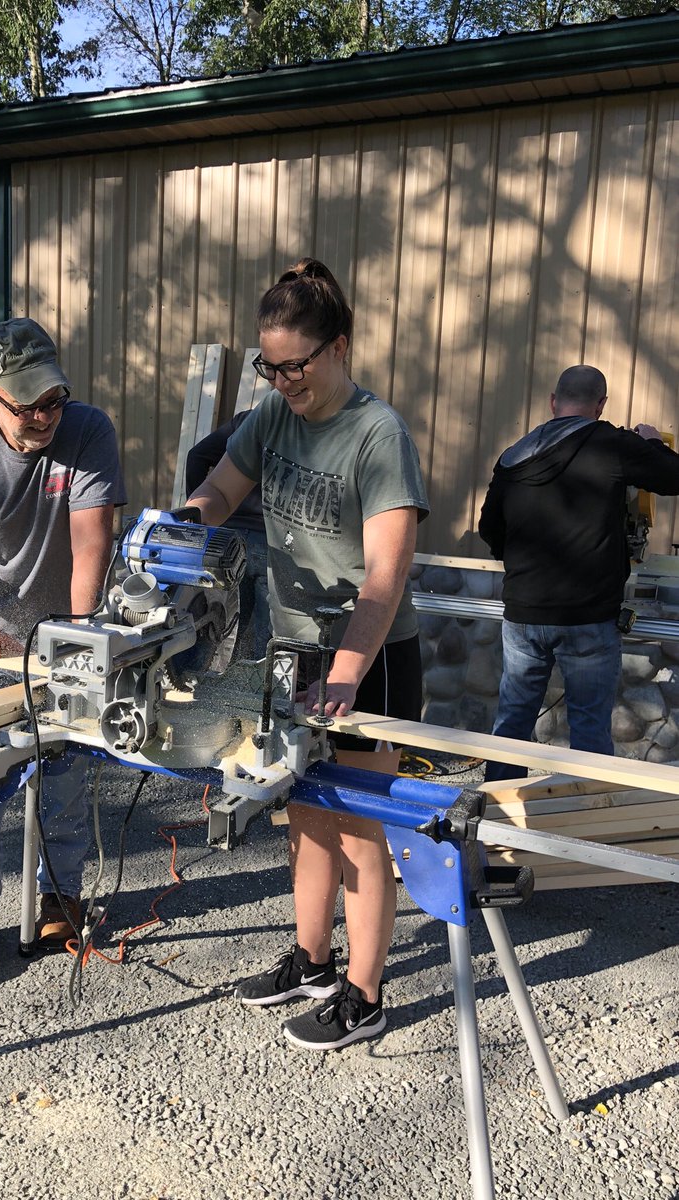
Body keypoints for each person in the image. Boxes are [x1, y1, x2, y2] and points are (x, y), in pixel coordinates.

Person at [188, 258, 429, 1051]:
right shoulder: (273, 414)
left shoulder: (377, 433)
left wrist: (349, 674)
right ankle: (313, 958)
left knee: (359, 822)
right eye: (271, 364)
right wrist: (185, 525)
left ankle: (365, 993)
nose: (284, 379)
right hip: (294, 643)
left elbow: (387, 578)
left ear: (339, 347)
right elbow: (222, 490)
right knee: (303, 808)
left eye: (297, 364)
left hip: (370, 654)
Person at [0, 318, 126, 984]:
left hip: (62, 634)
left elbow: (92, 542)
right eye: (25, 404)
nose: (42, 416)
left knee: (63, 776)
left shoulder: (87, 431)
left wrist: (79, 633)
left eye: (52, 399)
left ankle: (60, 893)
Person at [479, 364, 679, 782]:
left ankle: (495, 819)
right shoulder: (613, 444)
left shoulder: (515, 454)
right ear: (601, 404)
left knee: (512, 722)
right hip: (588, 618)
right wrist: (654, 444)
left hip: (523, 615)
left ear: (553, 402)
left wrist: (521, 569)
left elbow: (489, 529)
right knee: (589, 728)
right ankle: (582, 829)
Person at [185, 410, 271, 660]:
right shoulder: (294, 427)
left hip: (227, 541)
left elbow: (196, 456)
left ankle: (204, 680)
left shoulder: (244, 422)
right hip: (270, 540)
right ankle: (253, 691)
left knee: (220, 619)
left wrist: (202, 515)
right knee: (264, 633)